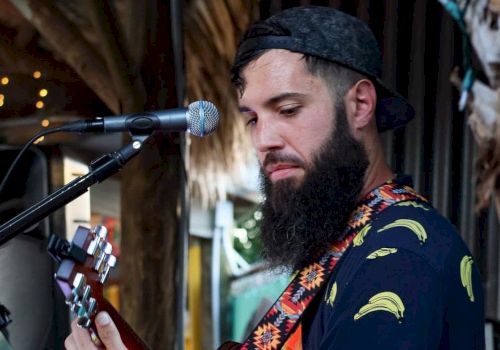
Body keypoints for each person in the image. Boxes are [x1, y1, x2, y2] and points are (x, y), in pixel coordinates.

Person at [65, 6, 485, 350]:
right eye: (251, 118)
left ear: (359, 105)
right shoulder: (347, 243)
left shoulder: (401, 257)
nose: (263, 140)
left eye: (287, 110)